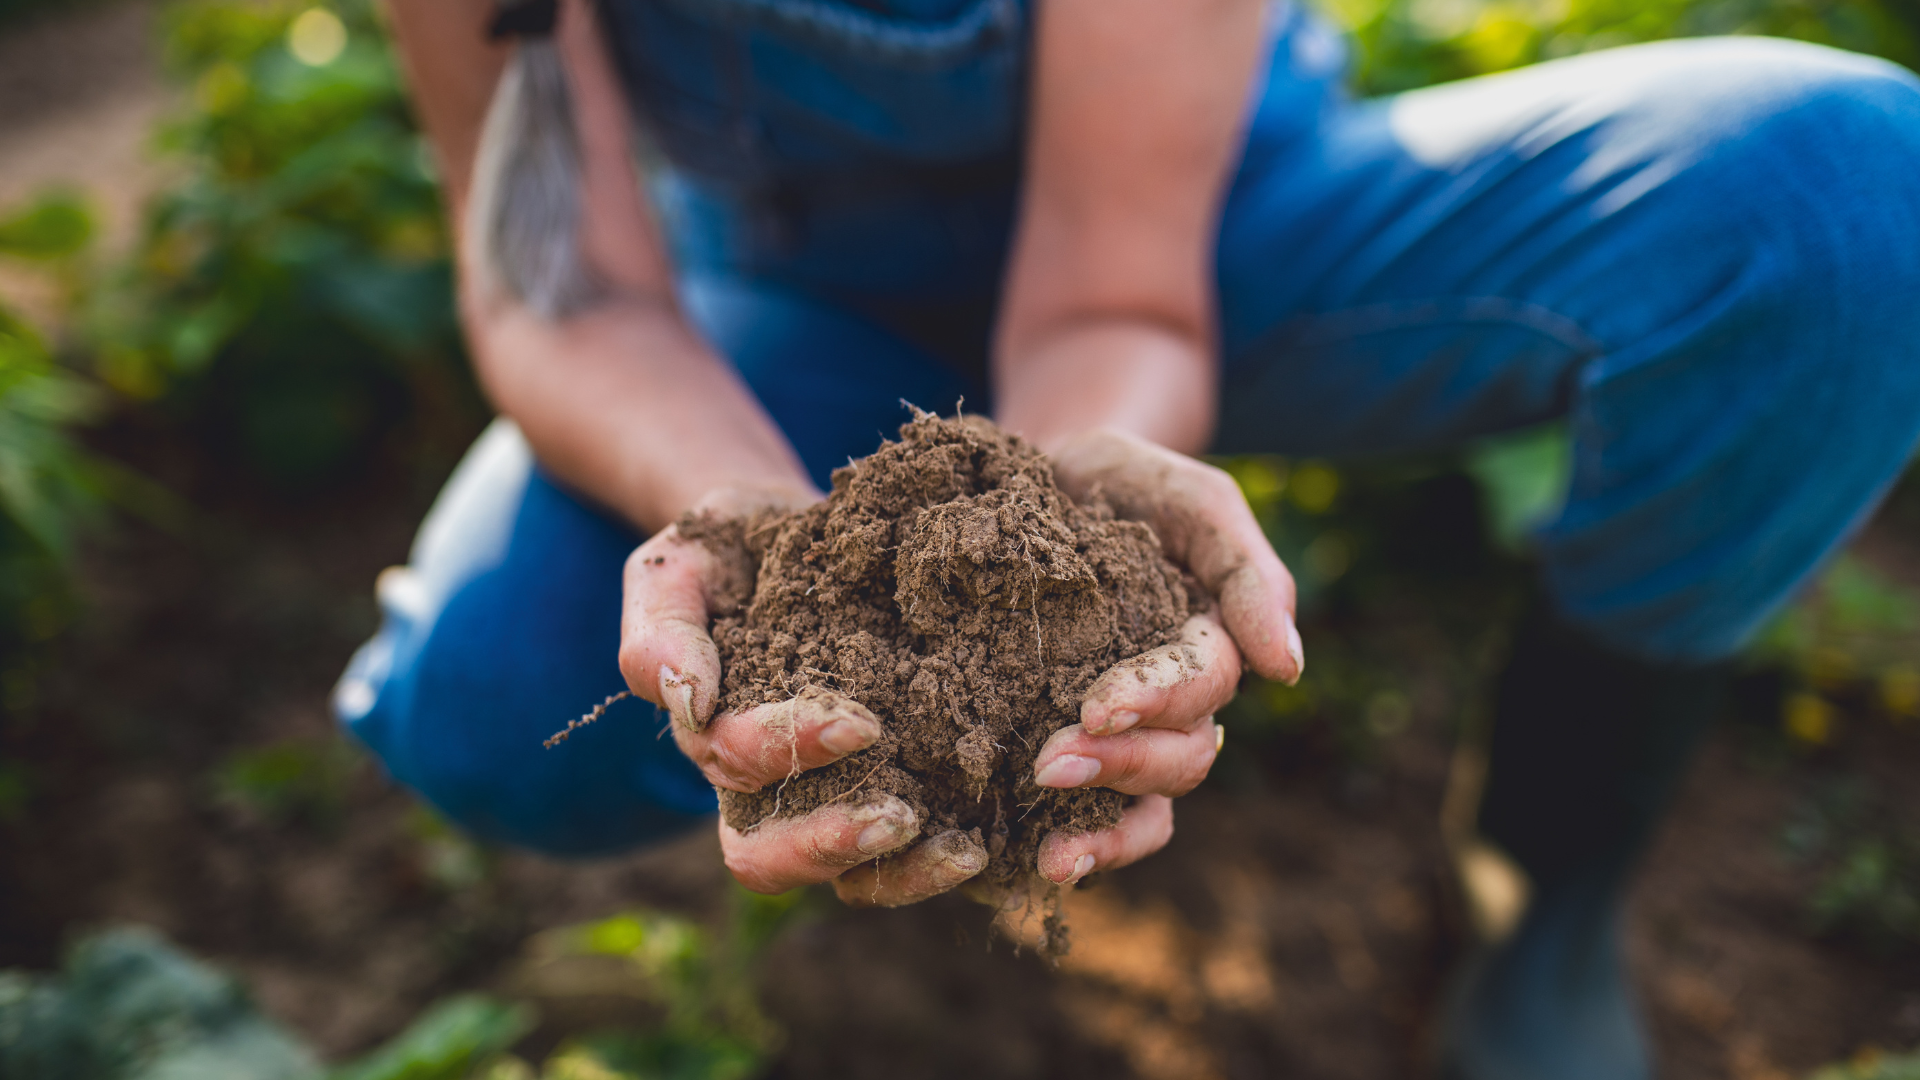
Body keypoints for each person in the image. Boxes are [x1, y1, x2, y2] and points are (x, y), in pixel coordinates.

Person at [332, 0, 1920, 1073]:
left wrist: (1068, 523)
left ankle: (1547, 881)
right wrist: (755, 526)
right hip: (805, 300)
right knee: (492, 698)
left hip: (1225, 235)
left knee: (1840, 197)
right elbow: (571, 286)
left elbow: (1114, 284)